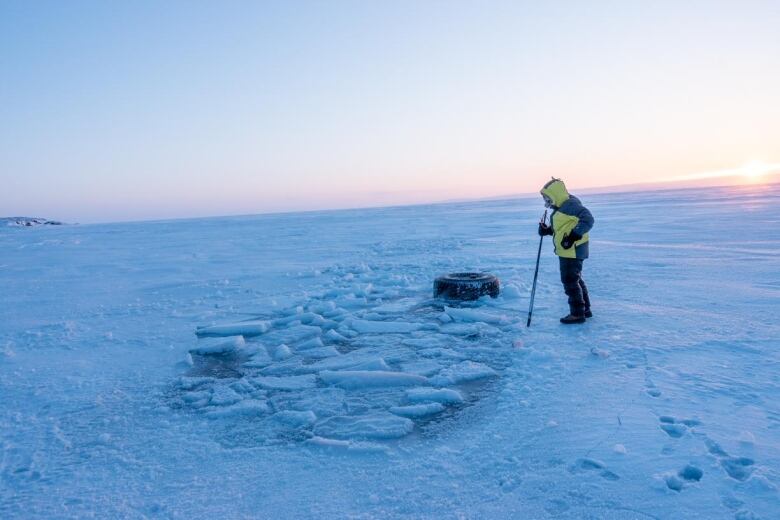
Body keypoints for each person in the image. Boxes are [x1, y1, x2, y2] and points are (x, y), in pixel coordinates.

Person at [537, 178, 594, 324]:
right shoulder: (561, 207)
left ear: (555, 194)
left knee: (569, 280)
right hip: (568, 250)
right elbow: (562, 228)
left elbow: (588, 219)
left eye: (548, 197)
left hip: (572, 250)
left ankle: (577, 314)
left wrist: (574, 236)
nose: (546, 200)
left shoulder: (570, 205)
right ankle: (585, 310)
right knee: (575, 279)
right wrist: (547, 230)